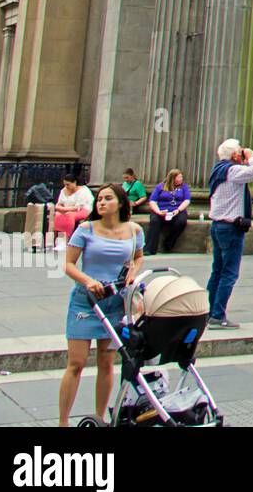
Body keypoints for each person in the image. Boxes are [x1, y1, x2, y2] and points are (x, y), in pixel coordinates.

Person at [59, 183, 144, 426]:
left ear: (120, 203)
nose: (101, 203)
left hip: (115, 301)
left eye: (108, 198)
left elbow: (139, 258)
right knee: (76, 362)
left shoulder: (135, 230)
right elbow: (68, 264)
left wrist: (133, 274)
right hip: (86, 302)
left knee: (106, 363)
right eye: (99, 199)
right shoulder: (86, 229)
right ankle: (63, 422)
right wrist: (88, 281)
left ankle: (99, 419)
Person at [206, 138, 253, 329]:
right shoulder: (233, 171)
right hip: (230, 227)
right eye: (239, 152)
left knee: (217, 271)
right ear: (234, 155)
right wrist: (251, 157)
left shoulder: (218, 170)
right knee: (229, 273)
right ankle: (217, 314)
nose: (242, 154)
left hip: (217, 225)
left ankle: (209, 311)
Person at [145, 169, 191, 255]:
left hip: (177, 210)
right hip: (161, 210)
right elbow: (152, 201)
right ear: (173, 178)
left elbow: (186, 200)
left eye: (181, 177)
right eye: (179, 177)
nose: (181, 179)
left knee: (181, 222)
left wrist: (178, 210)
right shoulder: (160, 186)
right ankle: (149, 248)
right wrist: (158, 212)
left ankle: (168, 243)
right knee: (154, 221)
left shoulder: (184, 187)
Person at [52, 174, 94, 250]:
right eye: (64, 184)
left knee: (69, 216)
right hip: (66, 210)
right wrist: (62, 209)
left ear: (74, 182)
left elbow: (78, 207)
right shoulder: (63, 190)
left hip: (83, 210)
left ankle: (66, 240)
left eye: (68, 184)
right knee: (58, 215)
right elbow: (59, 204)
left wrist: (64, 209)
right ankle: (58, 240)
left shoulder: (83, 191)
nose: (66, 186)